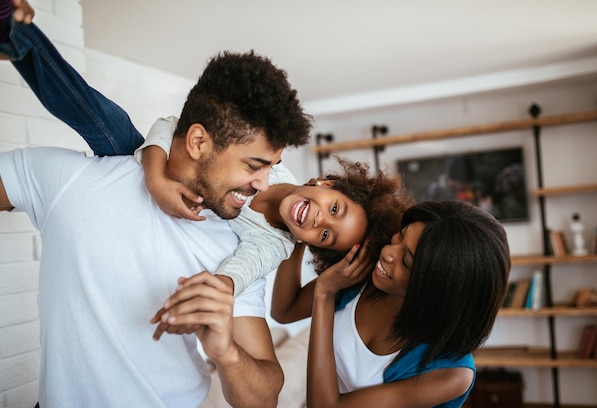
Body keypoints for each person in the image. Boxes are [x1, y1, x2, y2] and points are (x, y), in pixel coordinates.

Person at [0, 2, 314, 408]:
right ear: (199, 142)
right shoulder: (79, 178)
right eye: (254, 166)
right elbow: (164, 128)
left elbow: (264, 401)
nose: (262, 184)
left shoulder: (237, 249)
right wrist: (152, 170)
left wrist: (227, 352)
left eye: (270, 169)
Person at [0, 1, 412, 302]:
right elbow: (169, 127)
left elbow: (240, 271)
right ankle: (17, 34)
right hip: (153, 161)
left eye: (325, 235)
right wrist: (156, 175)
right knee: (102, 115)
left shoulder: (275, 243)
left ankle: (17, 37)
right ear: (327, 183)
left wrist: (221, 290)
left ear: (311, 245)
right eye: (334, 209)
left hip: (176, 181)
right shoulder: (274, 166)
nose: (319, 220)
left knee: (101, 117)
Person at [270, 200, 510, 408]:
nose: (387, 253)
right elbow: (284, 310)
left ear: (440, 290)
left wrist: (324, 294)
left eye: (406, 261)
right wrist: (296, 231)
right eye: (400, 236)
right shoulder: (363, 276)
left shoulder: (452, 373)